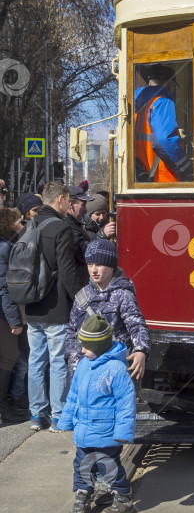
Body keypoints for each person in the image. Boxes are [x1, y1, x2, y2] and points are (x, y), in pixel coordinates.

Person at [58, 315, 136, 513]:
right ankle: (83, 497)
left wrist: (123, 433)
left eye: (87, 346)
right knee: (82, 465)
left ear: (100, 346)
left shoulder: (117, 370)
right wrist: (65, 421)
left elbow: (126, 404)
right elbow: (73, 395)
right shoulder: (84, 364)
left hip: (106, 433)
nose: (82, 350)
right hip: (84, 432)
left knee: (108, 466)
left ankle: (123, 498)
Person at [25, 181, 81, 432]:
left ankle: (37, 415)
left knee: (36, 361)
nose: (70, 205)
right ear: (60, 199)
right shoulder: (61, 227)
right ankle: (58, 416)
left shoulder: (30, 225)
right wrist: (81, 300)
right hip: (56, 305)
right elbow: (67, 270)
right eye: (69, 200)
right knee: (58, 361)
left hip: (31, 305)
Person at [65, 239, 150, 381]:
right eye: (90, 264)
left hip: (112, 371)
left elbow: (137, 325)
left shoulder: (123, 294)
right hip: (84, 370)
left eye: (99, 265)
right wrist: (74, 365)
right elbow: (72, 332)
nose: (93, 270)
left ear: (111, 266)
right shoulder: (82, 295)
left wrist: (141, 350)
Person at [134, 62, 193, 182]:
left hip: (145, 176)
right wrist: (186, 168)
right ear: (170, 84)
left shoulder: (137, 107)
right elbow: (164, 140)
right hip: (164, 179)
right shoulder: (162, 101)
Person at [0, 207, 28, 423]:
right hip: (4, 314)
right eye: (18, 222)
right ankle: (4, 408)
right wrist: (15, 321)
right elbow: (4, 287)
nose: (22, 225)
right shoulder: (4, 248)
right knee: (8, 358)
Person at [66, 185, 95, 288]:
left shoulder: (75, 224)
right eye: (83, 205)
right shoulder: (68, 227)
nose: (85, 210)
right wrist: (102, 236)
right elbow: (83, 252)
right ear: (71, 204)